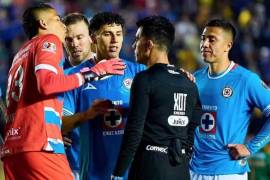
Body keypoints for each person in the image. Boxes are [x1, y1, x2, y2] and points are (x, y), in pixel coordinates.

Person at [1, 4, 124, 179]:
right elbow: (46, 84)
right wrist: (94, 72)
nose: (63, 26)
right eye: (58, 20)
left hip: (13, 151)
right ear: (43, 23)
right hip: (40, 145)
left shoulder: (19, 55)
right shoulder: (48, 41)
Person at [112, 15, 202, 180]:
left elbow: (134, 131)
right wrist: (184, 151)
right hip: (180, 169)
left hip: (150, 167)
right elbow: (195, 121)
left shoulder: (144, 79)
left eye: (137, 39)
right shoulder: (189, 83)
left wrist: (118, 173)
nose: (133, 45)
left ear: (148, 45)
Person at [62, 12, 146, 180]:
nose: (115, 40)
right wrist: (87, 115)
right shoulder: (73, 77)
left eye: (119, 34)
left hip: (132, 173)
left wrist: (181, 76)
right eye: (107, 34)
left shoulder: (139, 72)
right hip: (92, 174)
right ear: (93, 38)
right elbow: (61, 125)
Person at [189, 19, 270, 180]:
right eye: (203, 38)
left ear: (228, 45)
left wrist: (250, 148)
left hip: (229, 171)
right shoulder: (195, 78)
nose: (204, 44)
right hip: (194, 170)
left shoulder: (246, 79)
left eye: (212, 39)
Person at [62, 12, 95, 180]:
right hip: (70, 167)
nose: (74, 44)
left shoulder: (112, 69)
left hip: (107, 164)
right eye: (68, 39)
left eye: (79, 37)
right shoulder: (56, 76)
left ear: (91, 37)